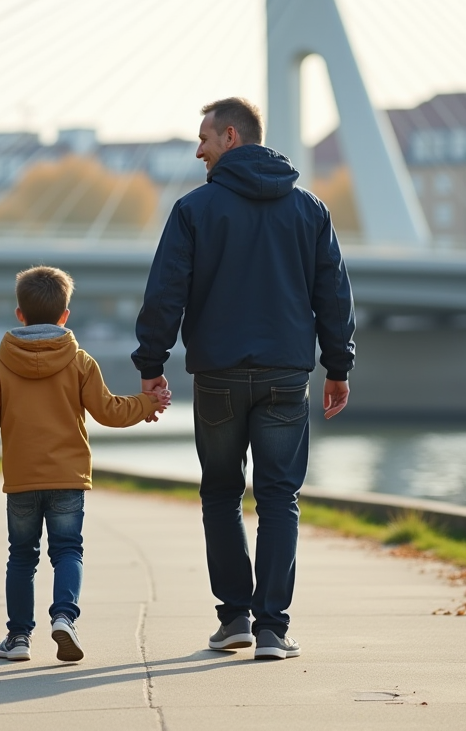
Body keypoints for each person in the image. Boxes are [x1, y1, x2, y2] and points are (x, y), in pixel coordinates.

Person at [132, 97, 356, 661]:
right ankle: (273, 630)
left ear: (231, 136)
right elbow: (333, 293)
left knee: (222, 494)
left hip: (218, 375)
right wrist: (338, 365)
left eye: (204, 138)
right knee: (280, 498)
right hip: (286, 373)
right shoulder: (310, 209)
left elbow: (166, 292)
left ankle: (234, 619)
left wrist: (151, 366)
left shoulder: (194, 210)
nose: (199, 149)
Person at [0, 266, 169, 663]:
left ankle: (19, 638)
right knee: (68, 551)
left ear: (19, 314)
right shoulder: (79, 362)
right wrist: (148, 404)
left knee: (22, 555)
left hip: (21, 481)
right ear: (65, 315)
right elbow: (108, 411)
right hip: (68, 479)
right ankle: (64, 618)